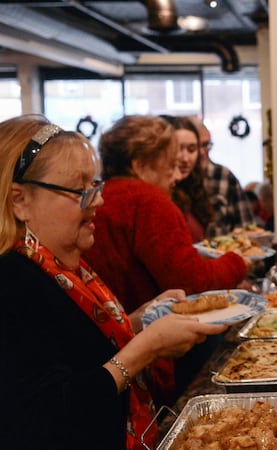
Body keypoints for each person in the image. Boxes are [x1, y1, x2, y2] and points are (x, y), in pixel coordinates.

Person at [0, 115, 228, 450]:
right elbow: (46, 418)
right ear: (20, 201)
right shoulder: (12, 281)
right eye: (80, 190)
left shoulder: (62, 269)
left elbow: (79, 353)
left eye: (95, 185)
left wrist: (137, 321)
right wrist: (145, 348)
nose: (98, 201)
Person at [83, 115, 251, 404]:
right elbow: (192, 279)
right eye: (170, 165)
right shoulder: (148, 199)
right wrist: (238, 261)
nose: (175, 176)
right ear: (140, 165)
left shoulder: (102, 196)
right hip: (149, 358)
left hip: (105, 348)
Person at [188, 116, 256, 236]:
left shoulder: (223, 175)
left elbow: (247, 228)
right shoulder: (175, 179)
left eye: (206, 145)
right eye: (195, 147)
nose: (203, 152)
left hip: (222, 252)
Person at [161, 115, 214, 242]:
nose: (185, 159)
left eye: (191, 149)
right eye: (179, 149)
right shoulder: (162, 192)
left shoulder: (194, 187)